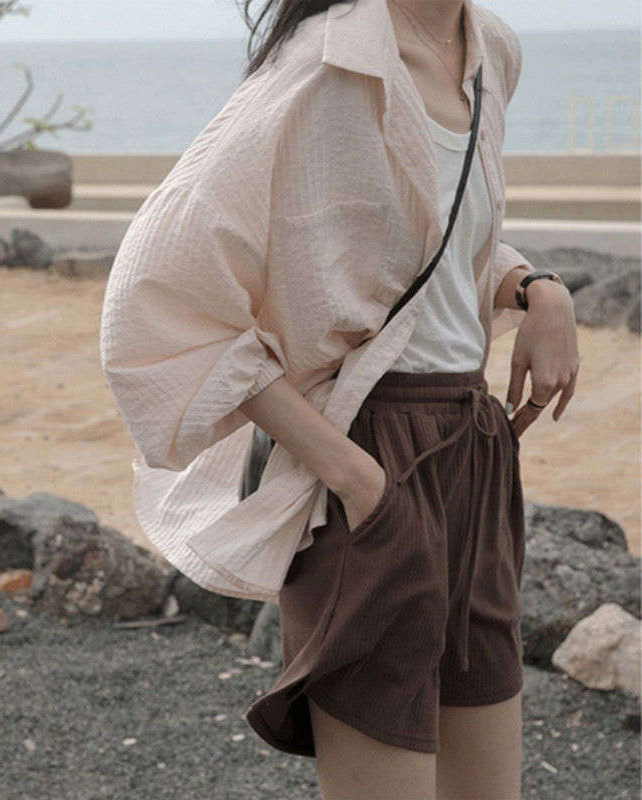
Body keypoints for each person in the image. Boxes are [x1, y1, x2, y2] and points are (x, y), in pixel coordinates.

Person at [100, 1, 580, 797]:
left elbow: (423, 237)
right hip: (370, 458)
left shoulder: (491, 49)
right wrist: (356, 479)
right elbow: (159, 293)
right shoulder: (326, 64)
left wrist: (538, 290)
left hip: (475, 452)